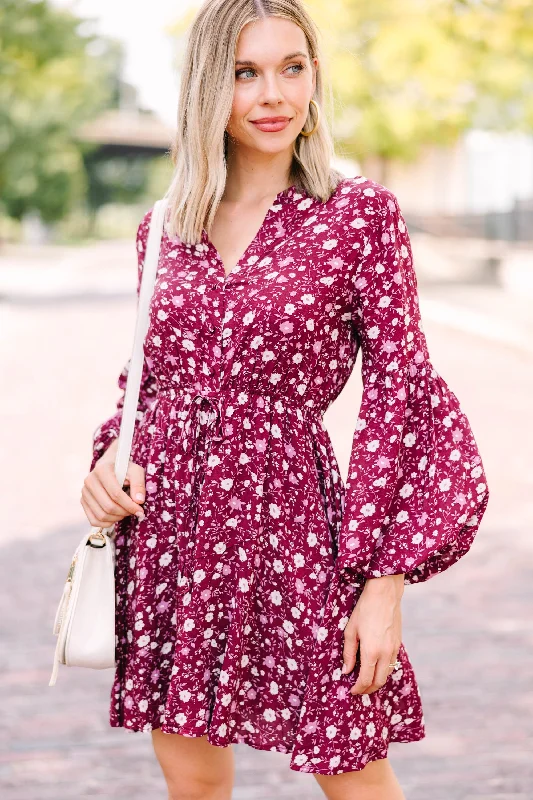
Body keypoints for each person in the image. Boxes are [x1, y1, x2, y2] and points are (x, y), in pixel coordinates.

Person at [81, 1, 489, 798]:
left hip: (298, 524)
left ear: (313, 78)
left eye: (291, 68)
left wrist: (383, 585)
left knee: (353, 769)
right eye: (245, 73)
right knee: (191, 778)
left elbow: (401, 394)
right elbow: (148, 382)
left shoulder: (358, 216)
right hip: (171, 527)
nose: (273, 95)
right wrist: (106, 460)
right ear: (208, 86)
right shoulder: (163, 226)